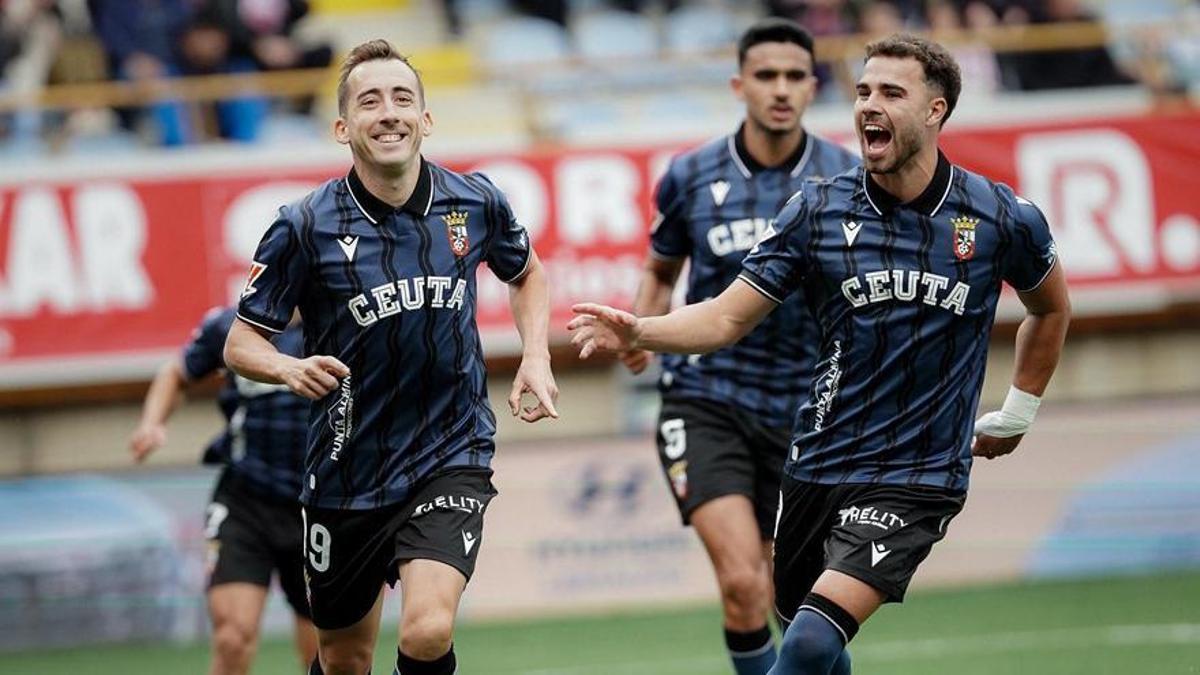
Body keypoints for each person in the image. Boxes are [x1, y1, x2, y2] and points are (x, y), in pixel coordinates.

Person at [570, 33, 1070, 674]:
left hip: (917, 475)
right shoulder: (816, 210)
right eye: (862, 91)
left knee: (807, 642)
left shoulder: (1004, 218)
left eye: (891, 92)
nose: (869, 105)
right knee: (806, 634)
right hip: (816, 462)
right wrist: (639, 330)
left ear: (936, 110)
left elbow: (1050, 308)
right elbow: (725, 316)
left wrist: (1020, 411)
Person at [223, 39, 558, 675]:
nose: (389, 112)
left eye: (403, 98)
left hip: (450, 452)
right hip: (348, 468)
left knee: (428, 629)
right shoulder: (302, 224)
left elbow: (529, 273)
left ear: (426, 119)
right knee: (345, 659)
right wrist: (289, 368)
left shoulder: (475, 201)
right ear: (343, 127)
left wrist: (535, 357)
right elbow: (241, 344)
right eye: (370, 101)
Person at [621, 18, 857, 675]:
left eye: (793, 77)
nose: (779, 90)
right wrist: (643, 327)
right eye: (765, 76)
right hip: (708, 398)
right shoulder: (691, 175)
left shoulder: (848, 179)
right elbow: (661, 269)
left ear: (813, 87)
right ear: (739, 85)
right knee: (743, 583)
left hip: (811, 411)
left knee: (802, 602)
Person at [130, 306, 317, 675]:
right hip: (245, 501)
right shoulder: (234, 326)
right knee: (233, 636)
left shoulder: (342, 320)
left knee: (324, 651)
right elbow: (177, 372)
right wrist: (152, 423)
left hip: (317, 504)